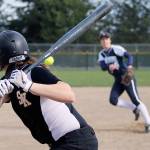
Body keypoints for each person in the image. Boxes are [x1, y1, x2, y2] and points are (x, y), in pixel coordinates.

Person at [0, 30, 98, 150]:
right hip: (61, 144)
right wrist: (2, 94)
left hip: (76, 141)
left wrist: (28, 85)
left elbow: (69, 95)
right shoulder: (8, 81)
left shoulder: (34, 72)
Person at [98, 31, 150, 133]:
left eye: (106, 38)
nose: (105, 41)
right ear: (100, 42)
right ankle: (134, 108)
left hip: (126, 77)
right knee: (113, 100)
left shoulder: (116, 49)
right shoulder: (101, 54)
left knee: (136, 100)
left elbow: (129, 56)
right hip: (118, 80)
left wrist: (129, 66)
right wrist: (109, 66)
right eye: (102, 39)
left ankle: (148, 123)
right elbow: (103, 66)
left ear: (110, 40)